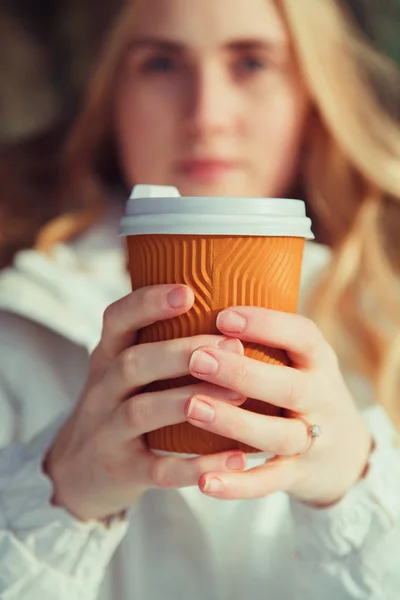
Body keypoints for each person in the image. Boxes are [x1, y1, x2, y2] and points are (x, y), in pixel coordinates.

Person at [1, 0, 400, 598]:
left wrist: (353, 487)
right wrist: (57, 496)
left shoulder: (385, 318)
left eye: (253, 62)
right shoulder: (16, 324)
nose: (207, 116)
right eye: (161, 63)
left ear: (315, 95)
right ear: (113, 97)